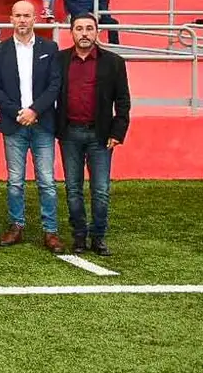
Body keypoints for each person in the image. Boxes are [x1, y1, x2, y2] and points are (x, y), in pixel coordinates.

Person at [0, 0, 64, 252]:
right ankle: (16, 226)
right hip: (14, 124)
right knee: (15, 181)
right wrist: (18, 113)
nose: (22, 20)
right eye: (18, 16)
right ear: (11, 19)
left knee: (46, 181)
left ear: (35, 19)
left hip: (42, 124)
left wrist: (34, 111)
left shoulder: (50, 48)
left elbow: (55, 85)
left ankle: (50, 231)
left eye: (27, 16)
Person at [57, 14, 130, 256]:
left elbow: (123, 101)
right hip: (69, 134)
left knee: (100, 189)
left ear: (97, 32)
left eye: (89, 28)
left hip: (101, 136)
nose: (84, 33)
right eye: (79, 28)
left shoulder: (114, 62)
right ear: (72, 32)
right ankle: (79, 236)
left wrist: (118, 132)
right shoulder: (60, 60)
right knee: (73, 188)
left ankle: (98, 237)